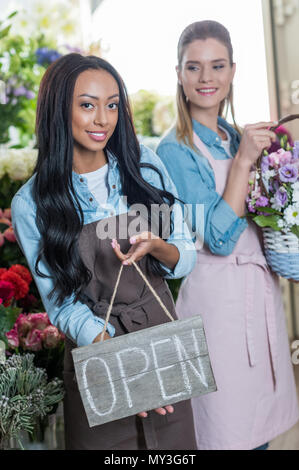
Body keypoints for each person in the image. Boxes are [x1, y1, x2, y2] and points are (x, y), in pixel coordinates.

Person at [11, 53, 198, 450]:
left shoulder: (144, 166)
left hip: (162, 346)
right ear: (57, 109)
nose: (103, 119)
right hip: (98, 353)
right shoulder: (34, 203)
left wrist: (158, 247)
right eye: (87, 105)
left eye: (112, 105)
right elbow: (62, 305)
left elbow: (185, 254)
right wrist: (121, 359)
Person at [157, 20, 299, 451]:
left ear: (233, 71)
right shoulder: (174, 151)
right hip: (215, 308)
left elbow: (266, 215)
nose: (206, 78)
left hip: (257, 296)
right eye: (194, 67)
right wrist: (243, 163)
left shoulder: (234, 136)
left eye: (217, 66)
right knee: (224, 433)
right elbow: (217, 239)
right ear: (179, 75)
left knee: (259, 433)